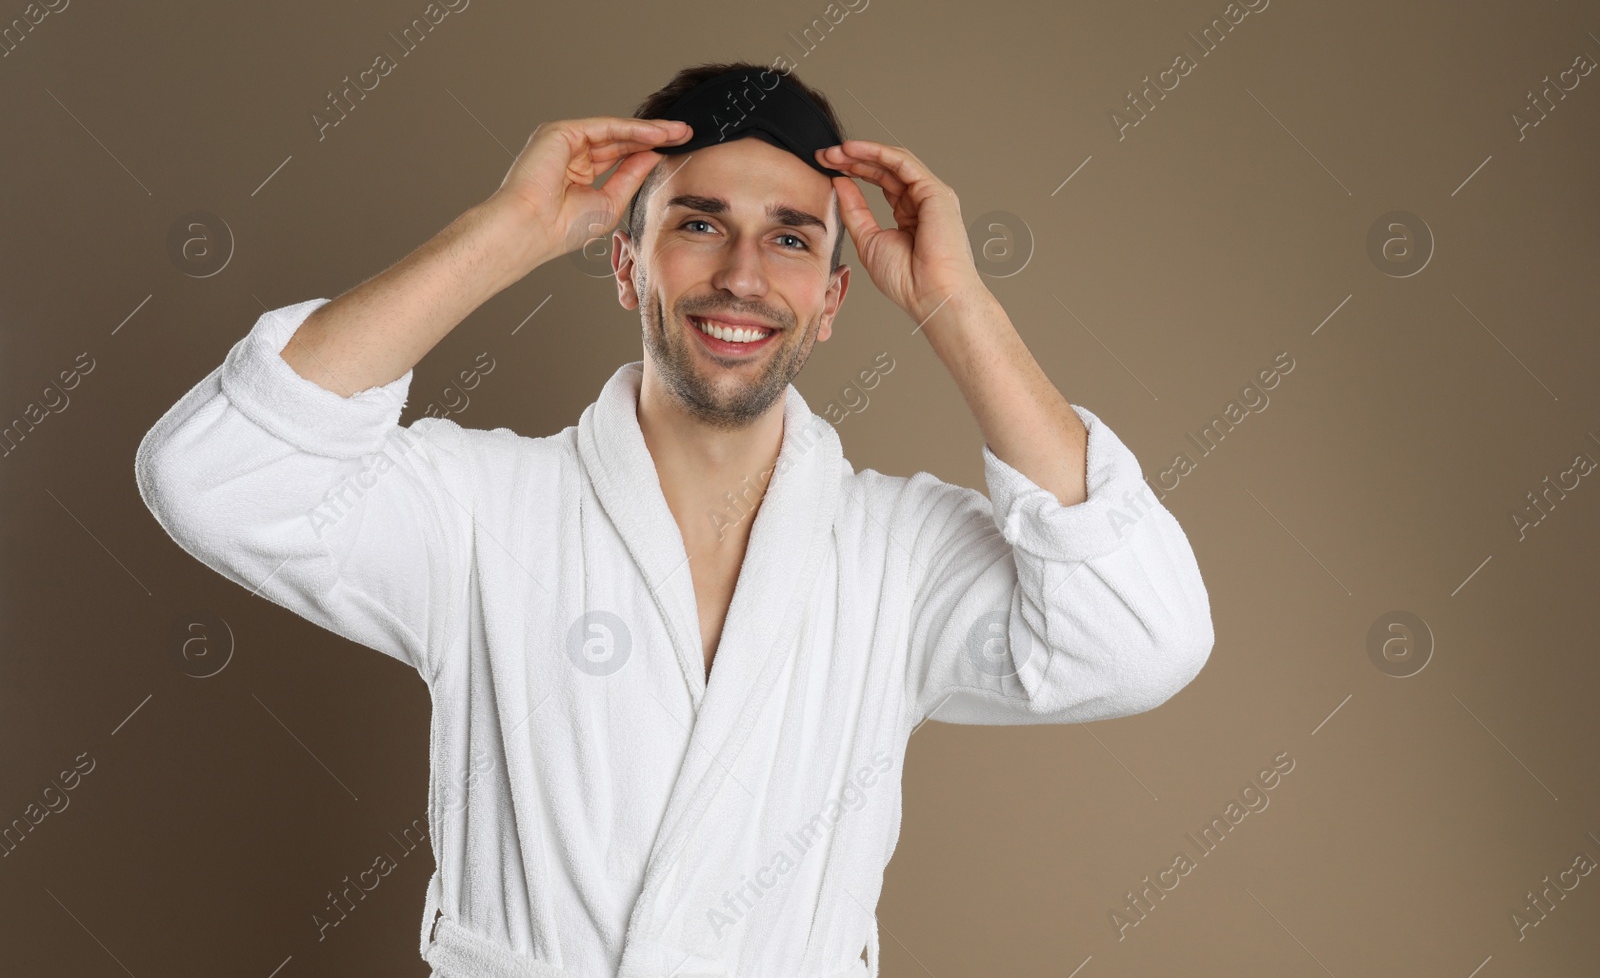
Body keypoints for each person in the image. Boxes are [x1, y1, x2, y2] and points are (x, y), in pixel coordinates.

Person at [134, 61, 1214, 978]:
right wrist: (506, 232)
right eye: (698, 226)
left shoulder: (899, 556)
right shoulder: (480, 513)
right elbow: (217, 475)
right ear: (624, 261)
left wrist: (956, 306)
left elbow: (1137, 639)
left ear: (833, 300)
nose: (742, 276)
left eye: (793, 241)